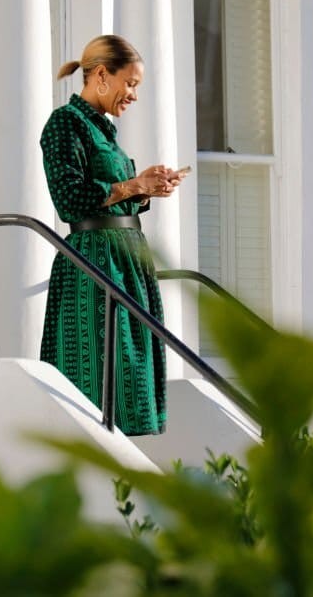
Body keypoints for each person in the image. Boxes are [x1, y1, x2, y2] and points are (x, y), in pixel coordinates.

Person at [39, 34, 185, 436]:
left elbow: (118, 197)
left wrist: (148, 187)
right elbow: (70, 199)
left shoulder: (104, 130)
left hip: (127, 261)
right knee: (102, 371)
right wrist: (133, 187)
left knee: (133, 373)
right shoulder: (64, 124)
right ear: (102, 75)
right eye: (131, 83)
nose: (134, 95)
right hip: (95, 263)